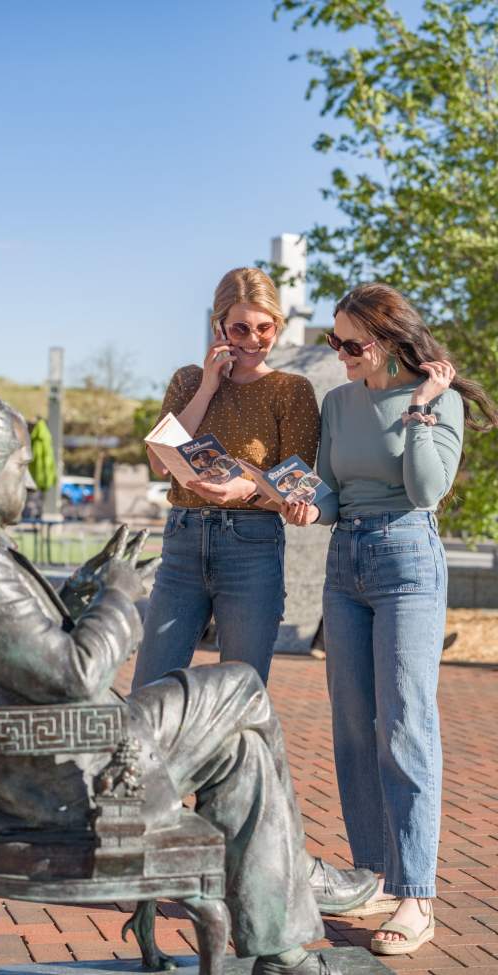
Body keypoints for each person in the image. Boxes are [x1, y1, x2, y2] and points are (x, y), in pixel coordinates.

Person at [0, 391, 377, 975]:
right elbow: (79, 674)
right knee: (241, 687)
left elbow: (16, 647)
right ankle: (300, 881)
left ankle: (281, 948)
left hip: (51, 753)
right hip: (73, 775)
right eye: (21, 468)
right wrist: (117, 595)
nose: (31, 484)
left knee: (244, 750)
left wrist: (80, 592)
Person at [282, 283, 498, 957]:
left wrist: (424, 409)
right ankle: (373, 874)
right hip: (345, 562)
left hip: (408, 557)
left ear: (390, 341)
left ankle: (416, 895)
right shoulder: (339, 402)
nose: (341, 354)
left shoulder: (444, 400)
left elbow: (427, 488)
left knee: (405, 723)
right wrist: (292, 501)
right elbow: (328, 489)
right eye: (333, 341)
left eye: (352, 344)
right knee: (352, 723)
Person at [134, 266, 320, 688]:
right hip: (182, 542)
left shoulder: (291, 390)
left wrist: (249, 488)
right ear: (219, 326)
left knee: (239, 692)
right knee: (150, 689)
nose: (253, 340)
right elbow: (160, 464)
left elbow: (298, 486)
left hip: (251, 545)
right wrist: (207, 387)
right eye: (240, 328)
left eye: (264, 328)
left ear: (277, 326)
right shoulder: (187, 380)